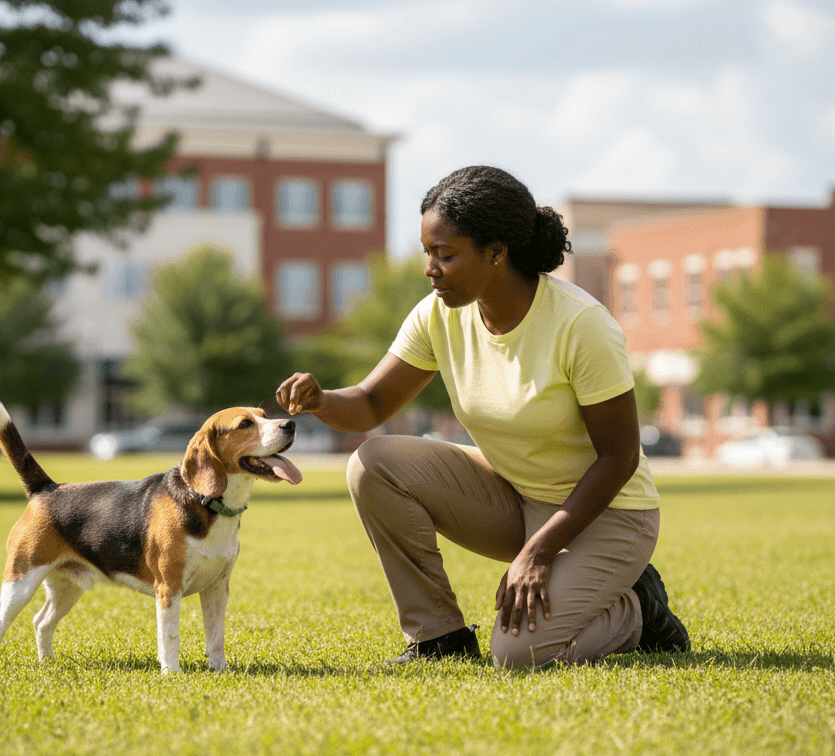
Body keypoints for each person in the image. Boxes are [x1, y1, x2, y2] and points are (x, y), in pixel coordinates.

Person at [275, 165, 689, 669]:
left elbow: (620, 456)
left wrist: (537, 554)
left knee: (519, 654)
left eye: (444, 255)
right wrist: (322, 399)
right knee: (374, 464)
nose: (430, 268)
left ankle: (639, 609)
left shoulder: (580, 325)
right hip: (517, 496)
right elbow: (370, 404)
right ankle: (438, 638)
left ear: (497, 252)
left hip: (607, 515)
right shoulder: (438, 313)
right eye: (428, 252)